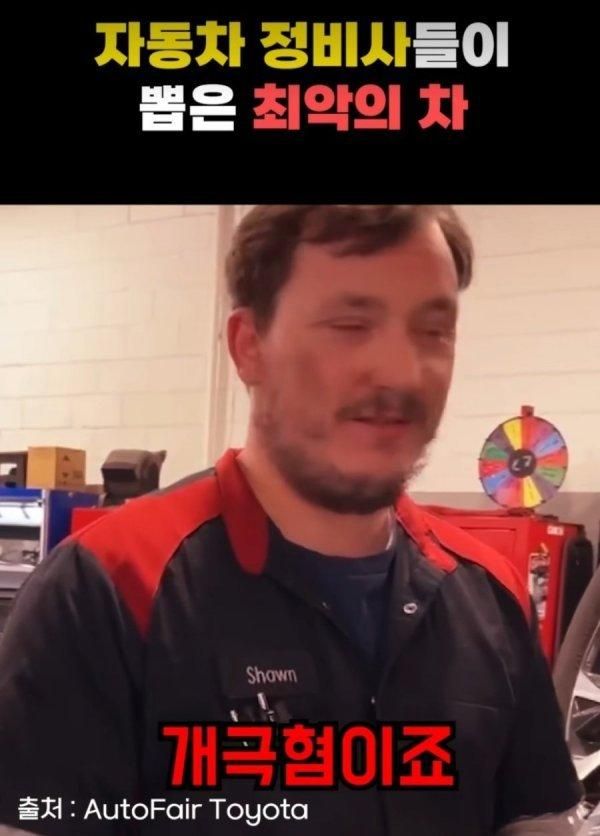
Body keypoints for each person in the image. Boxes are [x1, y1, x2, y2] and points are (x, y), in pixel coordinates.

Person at [0, 205, 583, 835]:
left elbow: (537, 823)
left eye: (433, 330)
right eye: (350, 325)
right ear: (248, 346)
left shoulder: (488, 598)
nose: (401, 371)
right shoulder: (108, 589)